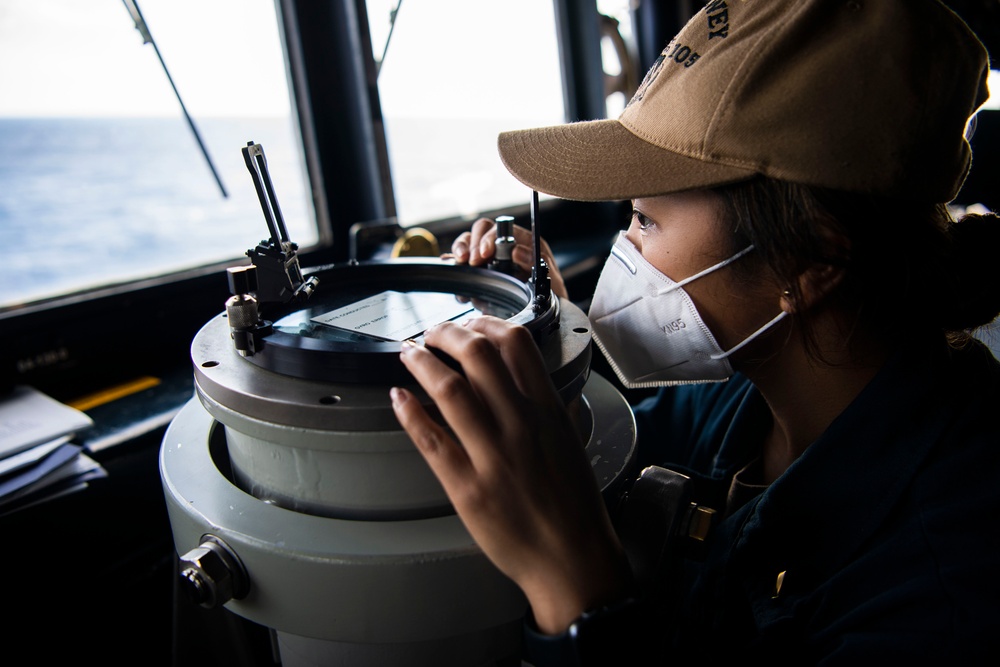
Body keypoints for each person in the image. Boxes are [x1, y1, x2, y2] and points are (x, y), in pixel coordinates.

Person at [389, 0, 1000, 663]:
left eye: (645, 221)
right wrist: (551, 340)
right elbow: (611, 443)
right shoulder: (750, 396)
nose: (625, 248)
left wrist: (582, 600)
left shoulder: (952, 581)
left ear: (811, 262)